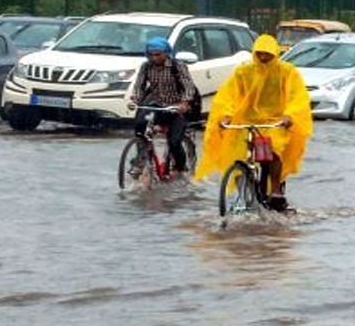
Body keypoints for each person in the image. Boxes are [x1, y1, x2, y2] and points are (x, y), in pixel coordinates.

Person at [194, 34, 313, 212]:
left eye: (268, 54)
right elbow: (228, 96)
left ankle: (275, 189)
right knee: (238, 152)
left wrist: (289, 116)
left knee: (274, 150)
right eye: (260, 54)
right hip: (246, 120)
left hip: (275, 121)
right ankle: (243, 183)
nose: (264, 58)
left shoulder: (287, 71)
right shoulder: (244, 71)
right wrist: (226, 115)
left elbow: (298, 97)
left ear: (275, 54)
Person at [130, 37, 198, 176]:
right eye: (151, 55)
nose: (154, 58)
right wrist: (135, 100)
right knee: (140, 125)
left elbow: (188, 87)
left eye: (158, 54)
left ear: (167, 53)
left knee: (174, 142)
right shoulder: (146, 66)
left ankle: (181, 168)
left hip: (177, 109)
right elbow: (139, 85)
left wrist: (184, 103)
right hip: (157, 105)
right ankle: (140, 160)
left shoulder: (177, 66)